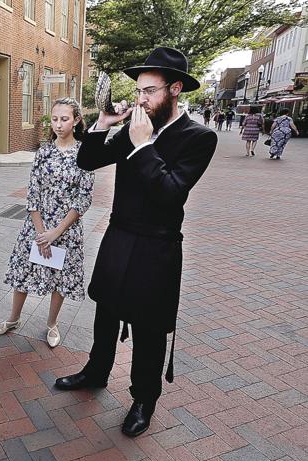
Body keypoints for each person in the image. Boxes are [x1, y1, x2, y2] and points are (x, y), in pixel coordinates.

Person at [55, 47, 217, 438]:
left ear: (175, 88)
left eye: (149, 90)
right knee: (106, 311)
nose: (140, 98)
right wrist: (103, 123)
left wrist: (144, 145)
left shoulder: (198, 137)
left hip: (157, 247)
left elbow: (171, 193)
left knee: (148, 328)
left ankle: (144, 398)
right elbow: (87, 162)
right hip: (119, 234)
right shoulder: (132, 126)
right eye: (139, 90)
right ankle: (96, 372)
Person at [0, 98, 94, 347]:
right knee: (23, 271)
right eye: (55, 119)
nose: (58, 124)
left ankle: (51, 324)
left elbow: (83, 199)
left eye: (64, 119)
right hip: (37, 226)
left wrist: (55, 234)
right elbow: (33, 193)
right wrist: (41, 234)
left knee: (60, 276)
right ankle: (13, 319)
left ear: (77, 120)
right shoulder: (44, 151)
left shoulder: (85, 154)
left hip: (65, 229)